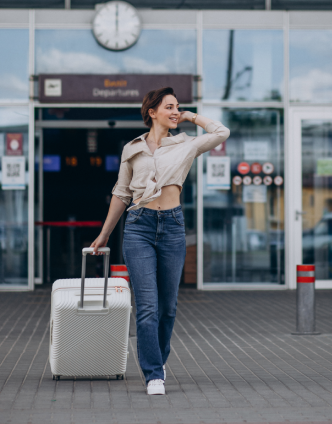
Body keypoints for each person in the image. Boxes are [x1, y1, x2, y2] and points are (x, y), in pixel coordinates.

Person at [90, 86, 230, 395]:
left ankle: (158, 359)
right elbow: (121, 193)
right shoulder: (132, 149)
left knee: (168, 307)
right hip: (139, 227)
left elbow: (222, 132)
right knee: (148, 308)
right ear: (152, 112)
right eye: (169, 107)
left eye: (177, 106)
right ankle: (154, 373)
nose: (175, 111)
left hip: (172, 226)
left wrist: (193, 116)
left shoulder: (187, 144)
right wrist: (104, 233)